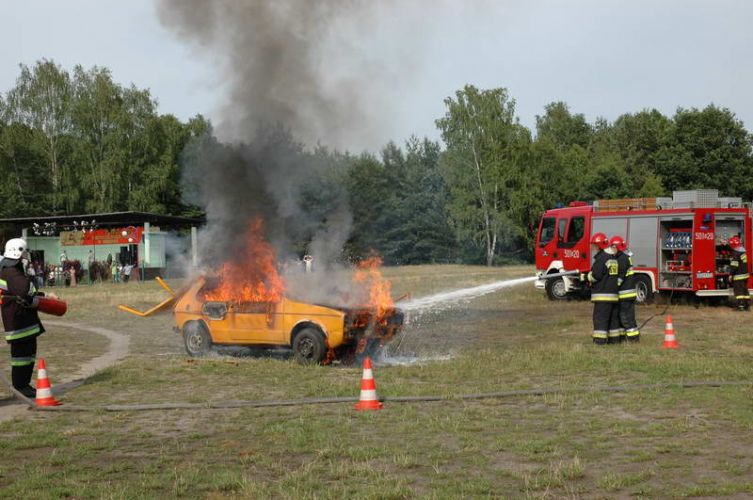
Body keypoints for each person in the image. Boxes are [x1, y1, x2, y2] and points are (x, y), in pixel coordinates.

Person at [0, 238, 54, 398]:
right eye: (24, 253)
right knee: (21, 356)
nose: (26, 257)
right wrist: (32, 283)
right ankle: (21, 386)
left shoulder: (11, 269)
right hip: (18, 321)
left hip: (21, 319)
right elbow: (24, 291)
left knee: (27, 353)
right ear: (18, 253)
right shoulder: (11, 271)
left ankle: (23, 384)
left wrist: (44, 295)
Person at [589, 232, 619, 345]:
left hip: (602, 295)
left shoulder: (601, 259)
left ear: (598, 246)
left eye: (594, 245)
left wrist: (586, 276)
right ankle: (614, 340)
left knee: (600, 318)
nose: (592, 248)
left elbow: (596, 275)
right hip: (613, 295)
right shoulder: (613, 258)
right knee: (612, 320)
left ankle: (600, 341)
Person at [611, 235, 639, 342]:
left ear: (617, 247)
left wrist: (612, 286)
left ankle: (633, 339)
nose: (611, 249)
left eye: (613, 247)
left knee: (626, 317)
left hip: (625, 293)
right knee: (626, 317)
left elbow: (620, 277)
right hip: (627, 293)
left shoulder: (622, 259)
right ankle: (626, 338)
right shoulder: (625, 257)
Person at [728, 236, 750, 311]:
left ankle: (740, 306)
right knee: (745, 290)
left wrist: (731, 274)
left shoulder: (736, 253)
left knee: (739, 291)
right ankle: (747, 305)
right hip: (745, 275)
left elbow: (734, 265)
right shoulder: (743, 251)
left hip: (738, 276)